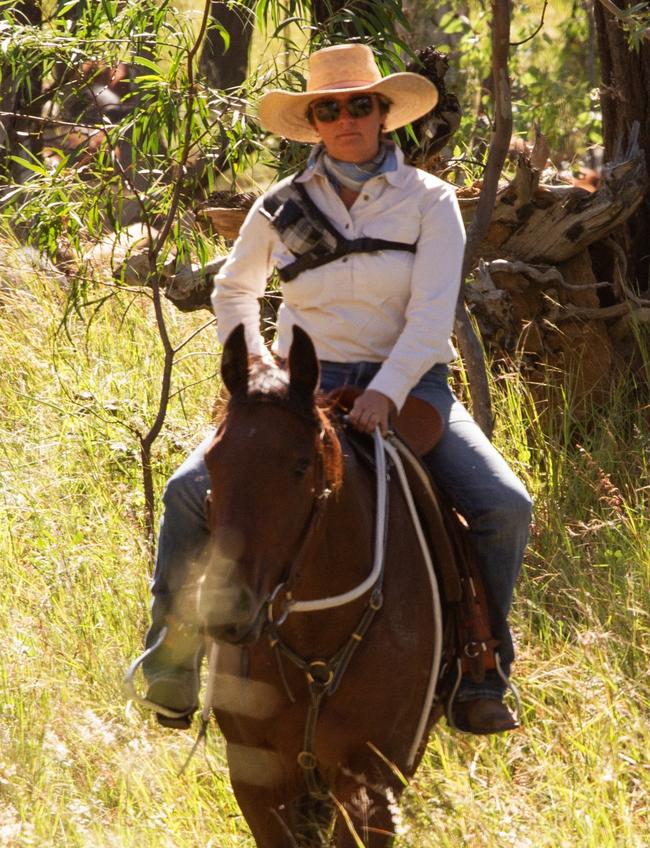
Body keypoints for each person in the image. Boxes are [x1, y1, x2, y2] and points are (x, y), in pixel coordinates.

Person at [124, 43, 532, 735]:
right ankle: (173, 653)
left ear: (383, 114)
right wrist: (255, 368)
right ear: (315, 121)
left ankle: (481, 666)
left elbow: (434, 314)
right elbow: (234, 289)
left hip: (411, 388)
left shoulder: (428, 202)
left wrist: (390, 391)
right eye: (331, 108)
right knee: (188, 491)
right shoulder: (281, 205)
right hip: (299, 392)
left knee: (503, 505)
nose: (347, 118)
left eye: (360, 105)